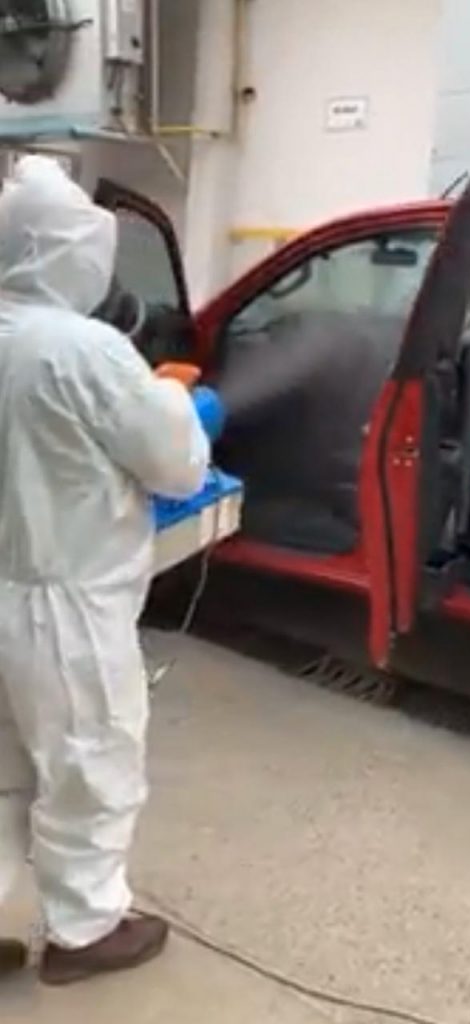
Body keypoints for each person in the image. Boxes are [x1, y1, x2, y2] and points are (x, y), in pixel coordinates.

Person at [0, 156, 209, 985]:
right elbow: (176, 467)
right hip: (65, 605)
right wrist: (174, 400)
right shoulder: (85, 349)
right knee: (90, 761)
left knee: (2, 772)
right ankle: (85, 931)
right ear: (66, 250)